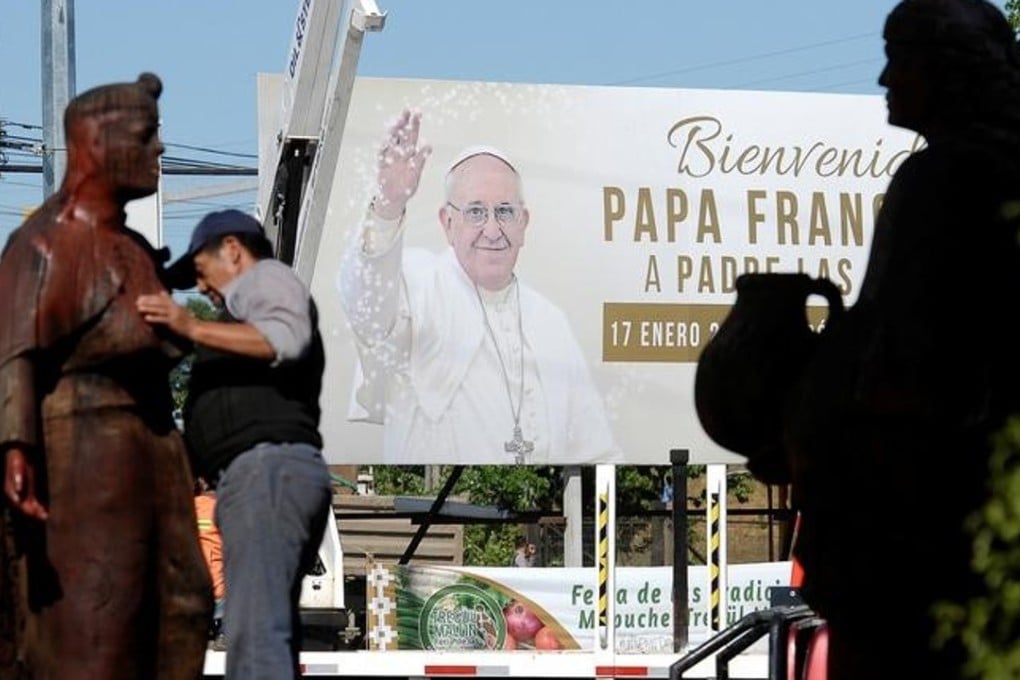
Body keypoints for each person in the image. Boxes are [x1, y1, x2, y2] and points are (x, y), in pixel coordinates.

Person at [780, 2, 1020, 678]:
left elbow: (898, 367)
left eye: (899, 57)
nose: (884, 76)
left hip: (921, 538)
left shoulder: (944, 181)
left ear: (949, 71)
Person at [0, 73, 212, 678]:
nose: (160, 151)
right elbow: (14, 351)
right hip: (87, 451)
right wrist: (15, 445)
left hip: (154, 453)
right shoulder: (44, 245)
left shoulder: (136, 248)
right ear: (96, 143)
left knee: (183, 610)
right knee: (101, 619)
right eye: (147, 137)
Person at [337, 109, 619, 465]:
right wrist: (388, 207)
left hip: (539, 507)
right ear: (447, 221)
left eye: (504, 212)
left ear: (524, 223)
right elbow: (365, 305)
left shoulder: (550, 321)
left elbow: (596, 448)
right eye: (475, 212)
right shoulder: (416, 282)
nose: (491, 229)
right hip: (433, 512)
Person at [136, 208, 333, 680]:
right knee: (261, 630)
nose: (200, 288)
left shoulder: (266, 278)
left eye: (201, 273)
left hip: (268, 470)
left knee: (255, 636)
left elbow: (285, 339)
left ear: (232, 250)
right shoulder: (233, 325)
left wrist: (190, 327)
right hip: (255, 477)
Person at [195, 477, 226, 649]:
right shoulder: (224, 507)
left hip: (203, 575)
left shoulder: (192, 506)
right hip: (217, 575)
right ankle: (221, 633)